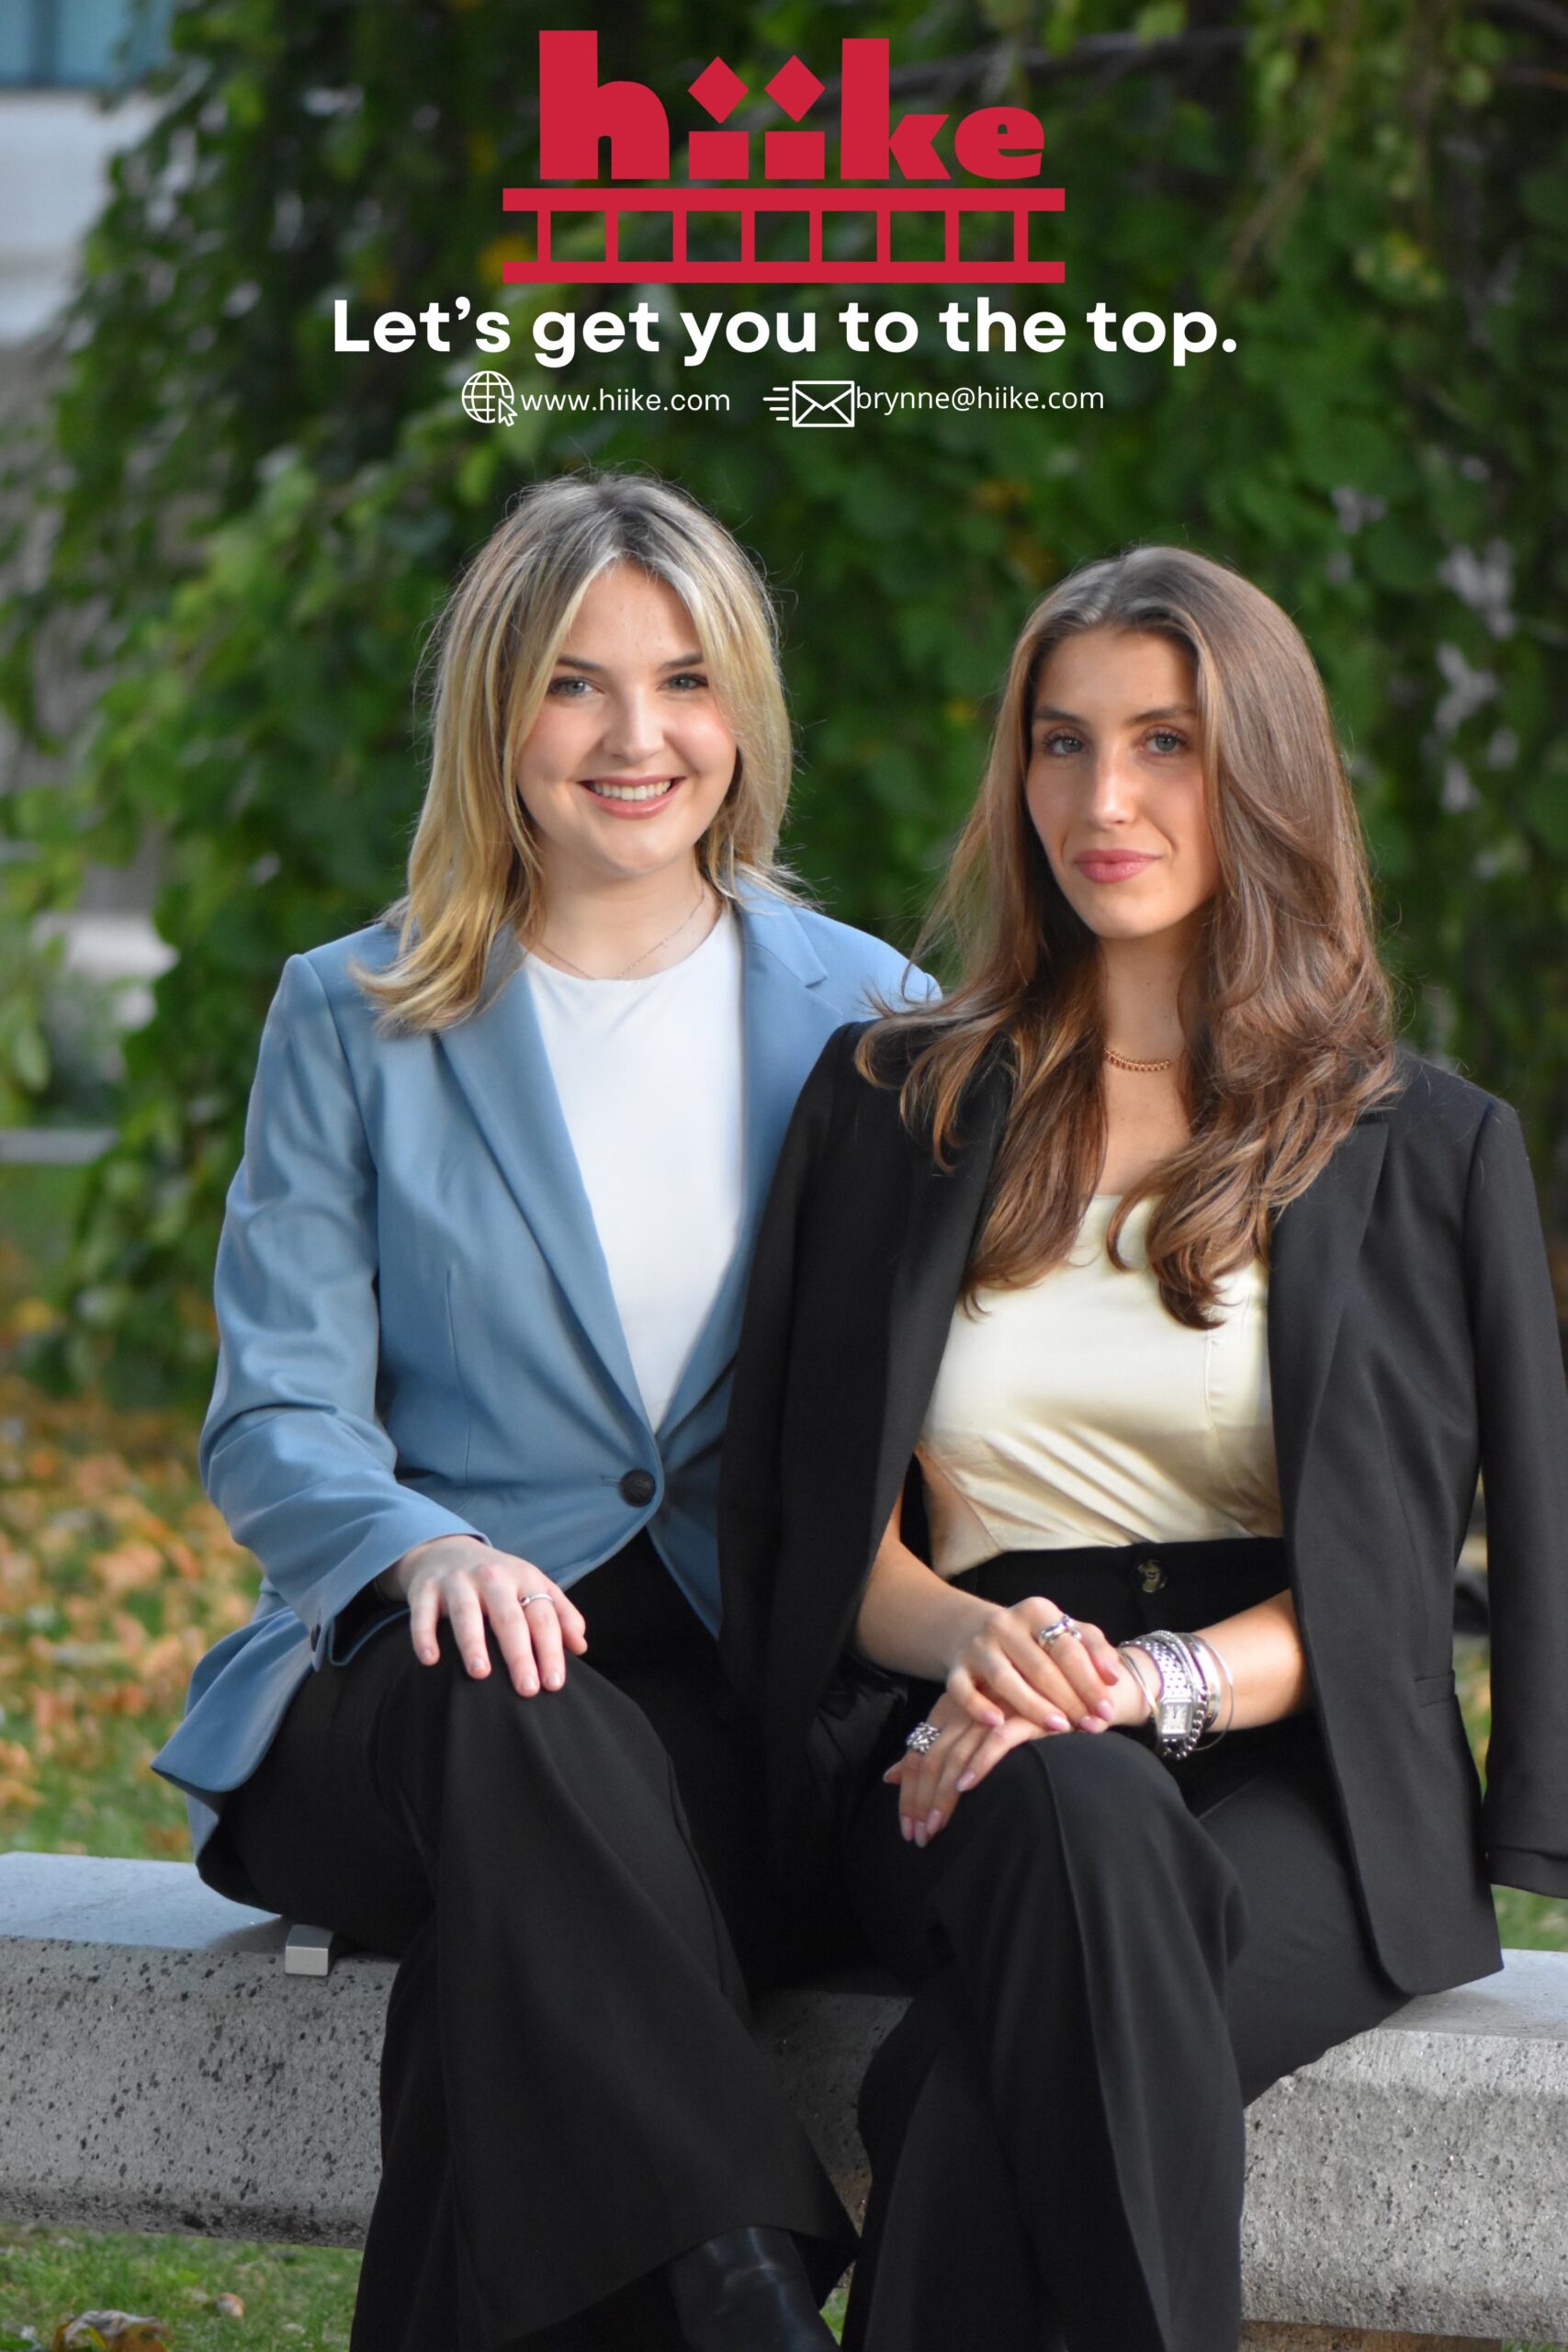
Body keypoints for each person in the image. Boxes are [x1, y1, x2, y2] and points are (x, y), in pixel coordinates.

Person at [718, 545, 1568, 2352]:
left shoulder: (1418, 1145)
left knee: (963, 2101)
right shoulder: (893, 1102)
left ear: (1255, 765)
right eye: (1059, 741)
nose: (1101, 799)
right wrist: (988, 1650)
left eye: (1164, 743)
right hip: (955, 1747)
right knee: (1073, 1807)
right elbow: (815, 1528)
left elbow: (1411, 1570)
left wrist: (1141, 1679)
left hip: (1292, 1769)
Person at [152, 470, 935, 2352]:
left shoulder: (884, 1016)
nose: (635, 735)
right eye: (576, 684)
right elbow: (272, 1411)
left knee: (512, 1987)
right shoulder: (352, 1010)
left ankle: (714, 2280)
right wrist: (419, 1540)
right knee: (505, 1708)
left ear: (739, 712)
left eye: (682, 679)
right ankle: (746, 2283)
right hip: (398, 1708)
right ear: (496, 710)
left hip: (718, 1725)